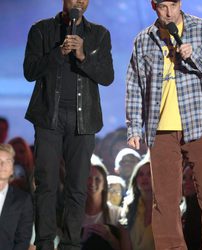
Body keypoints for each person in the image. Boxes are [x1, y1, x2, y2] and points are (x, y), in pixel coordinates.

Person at [126, 0, 202, 249]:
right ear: (154, 6)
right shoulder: (143, 40)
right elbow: (134, 86)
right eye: (163, 6)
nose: (170, 12)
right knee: (164, 199)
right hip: (161, 128)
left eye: (174, 4)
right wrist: (133, 127)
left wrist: (195, 56)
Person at [23, 0, 114, 249]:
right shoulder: (41, 30)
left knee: (77, 187)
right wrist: (58, 53)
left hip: (83, 120)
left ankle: (70, 245)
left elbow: (107, 76)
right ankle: (44, 243)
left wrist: (83, 55)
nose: (79, 2)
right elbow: (29, 71)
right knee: (46, 184)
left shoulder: (99, 34)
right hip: (48, 118)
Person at [82, 154, 131, 250]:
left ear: (104, 184)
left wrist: (110, 237)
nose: (92, 183)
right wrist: (81, 239)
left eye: (97, 179)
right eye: (88, 178)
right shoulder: (72, 215)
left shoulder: (118, 214)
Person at [0, 143, 33, 250]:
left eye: (7, 161)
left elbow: (23, 239)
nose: (2, 165)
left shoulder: (22, 200)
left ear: (12, 169)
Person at [120, 154, 155, 250]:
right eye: (141, 174)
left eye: (149, 174)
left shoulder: (166, 208)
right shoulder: (129, 208)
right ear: (135, 179)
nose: (145, 178)